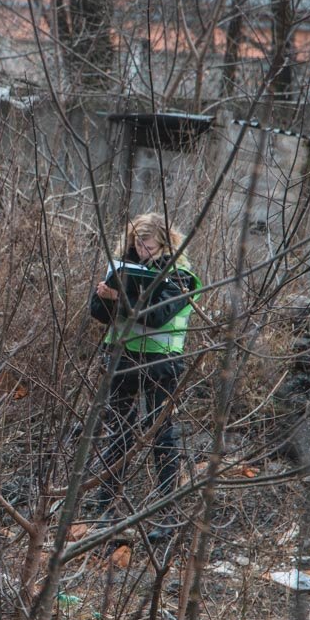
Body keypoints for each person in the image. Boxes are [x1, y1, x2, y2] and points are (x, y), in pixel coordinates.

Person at [88, 213, 201, 522]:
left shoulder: (180, 276)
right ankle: (106, 509)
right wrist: (105, 297)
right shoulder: (121, 268)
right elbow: (97, 312)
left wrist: (121, 298)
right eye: (137, 242)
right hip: (121, 361)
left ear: (165, 243)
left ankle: (166, 512)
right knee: (119, 436)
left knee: (162, 436)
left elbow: (158, 315)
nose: (140, 249)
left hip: (161, 365)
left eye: (147, 243)